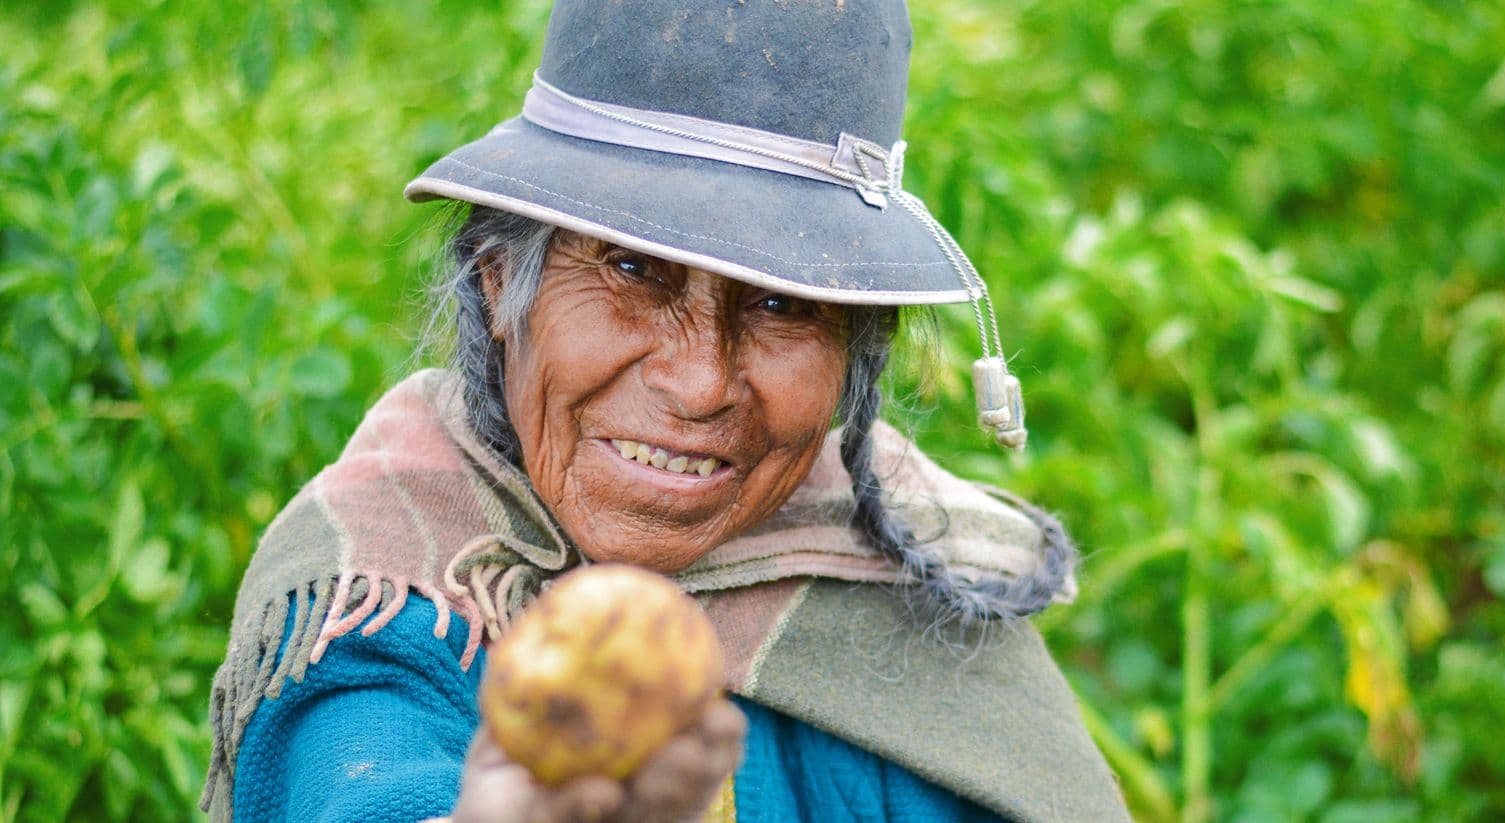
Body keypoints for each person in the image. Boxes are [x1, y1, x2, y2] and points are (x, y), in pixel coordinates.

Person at [200, 1, 1127, 821]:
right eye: (633, 269)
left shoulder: (911, 608)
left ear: (855, 355)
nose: (699, 382)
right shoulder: (387, 594)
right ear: (498, 281)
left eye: (782, 303)